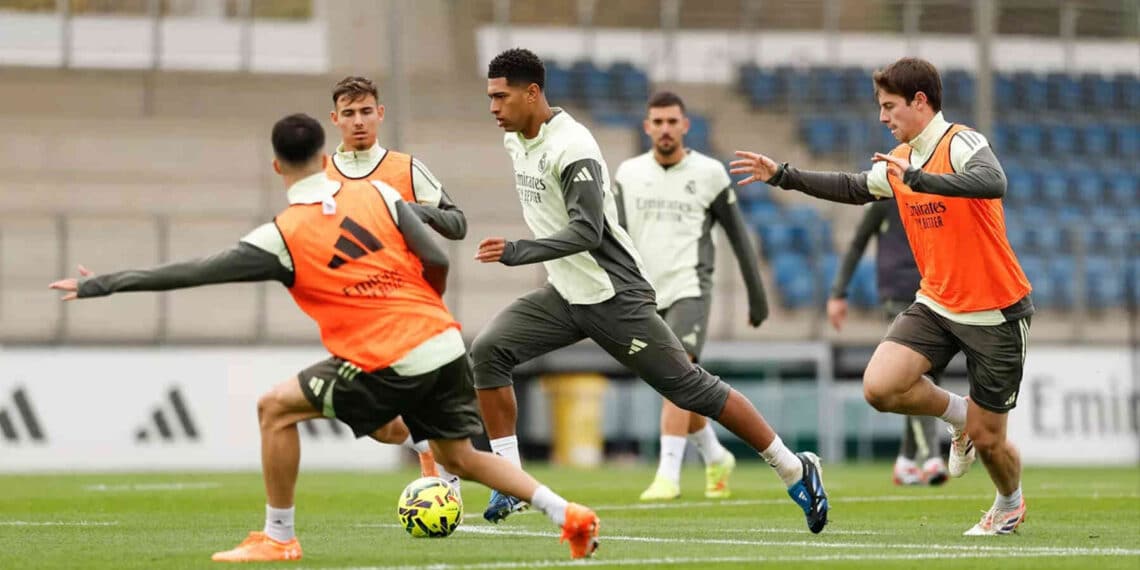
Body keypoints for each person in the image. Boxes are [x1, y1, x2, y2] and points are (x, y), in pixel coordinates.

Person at [49, 113, 600, 562]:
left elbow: (194, 271)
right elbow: (435, 254)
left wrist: (103, 285)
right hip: (442, 338)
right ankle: (566, 512)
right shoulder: (382, 196)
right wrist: (424, 303)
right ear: (323, 157)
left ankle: (279, 537)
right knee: (459, 456)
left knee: (275, 409)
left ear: (276, 167)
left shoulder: (281, 234)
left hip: (386, 354)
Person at [473, 48, 828, 534]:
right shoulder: (517, 138)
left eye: (500, 96)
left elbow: (588, 232)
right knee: (488, 352)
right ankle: (510, 479)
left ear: (532, 93)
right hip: (567, 293)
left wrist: (518, 250)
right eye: (489, 97)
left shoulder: (572, 146)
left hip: (613, 295)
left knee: (690, 388)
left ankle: (793, 467)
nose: (492, 106)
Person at [731, 57, 1032, 536]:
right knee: (881, 386)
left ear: (920, 101)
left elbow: (995, 181)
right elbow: (853, 186)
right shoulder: (902, 160)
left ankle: (1009, 504)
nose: (882, 117)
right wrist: (783, 175)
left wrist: (922, 181)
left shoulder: (960, 141)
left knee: (991, 441)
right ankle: (958, 414)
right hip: (935, 303)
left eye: (889, 106)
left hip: (995, 310)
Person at [612, 91, 769, 501]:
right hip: (644, 295)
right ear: (647, 127)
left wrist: (757, 296)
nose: (665, 129)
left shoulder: (710, 173)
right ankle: (716, 456)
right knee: (683, 388)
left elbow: (738, 235)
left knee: (677, 375)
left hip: (690, 289)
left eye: (672, 121)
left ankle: (668, 476)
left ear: (685, 125)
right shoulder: (627, 174)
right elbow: (615, 237)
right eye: (657, 122)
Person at [325, 75, 468, 491]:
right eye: (349, 113)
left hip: (409, 309)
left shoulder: (405, 167)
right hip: (355, 314)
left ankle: (448, 484)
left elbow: (457, 223)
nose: (358, 121)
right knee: (365, 413)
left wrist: (412, 212)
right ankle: (425, 447)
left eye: (366, 111)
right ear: (335, 119)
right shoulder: (320, 177)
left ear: (380, 114)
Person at [827, 199, 948, 486]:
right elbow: (858, 243)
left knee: (919, 383)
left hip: (935, 292)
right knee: (917, 375)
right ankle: (931, 458)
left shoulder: (936, 191)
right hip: (899, 295)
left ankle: (906, 462)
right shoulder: (884, 196)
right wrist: (838, 292)